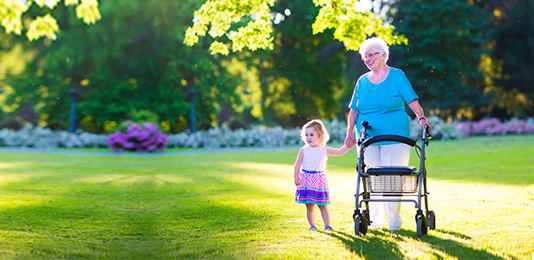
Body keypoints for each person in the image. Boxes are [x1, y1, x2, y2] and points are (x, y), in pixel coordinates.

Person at [344, 37, 432, 231]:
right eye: (364, 56)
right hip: (367, 137)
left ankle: (394, 222)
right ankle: (374, 221)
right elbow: (354, 110)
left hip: (395, 134)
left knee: (392, 177)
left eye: (371, 54)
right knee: (371, 178)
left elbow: (412, 100)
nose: (367, 59)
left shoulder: (397, 76)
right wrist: (349, 132)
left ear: (383, 55)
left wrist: (422, 118)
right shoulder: (362, 81)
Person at [294, 119, 354, 232]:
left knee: (322, 204)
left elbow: (339, 151)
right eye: (306, 135)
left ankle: (327, 226)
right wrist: (296, 176)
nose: (309, 138)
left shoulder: (323, 150)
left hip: (319, 180)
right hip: (306, 179)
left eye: (312, 135)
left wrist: (348, 146)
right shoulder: (303, 150)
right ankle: (312, 225)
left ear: (320, 136)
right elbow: (297, 164)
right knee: (309, 205)